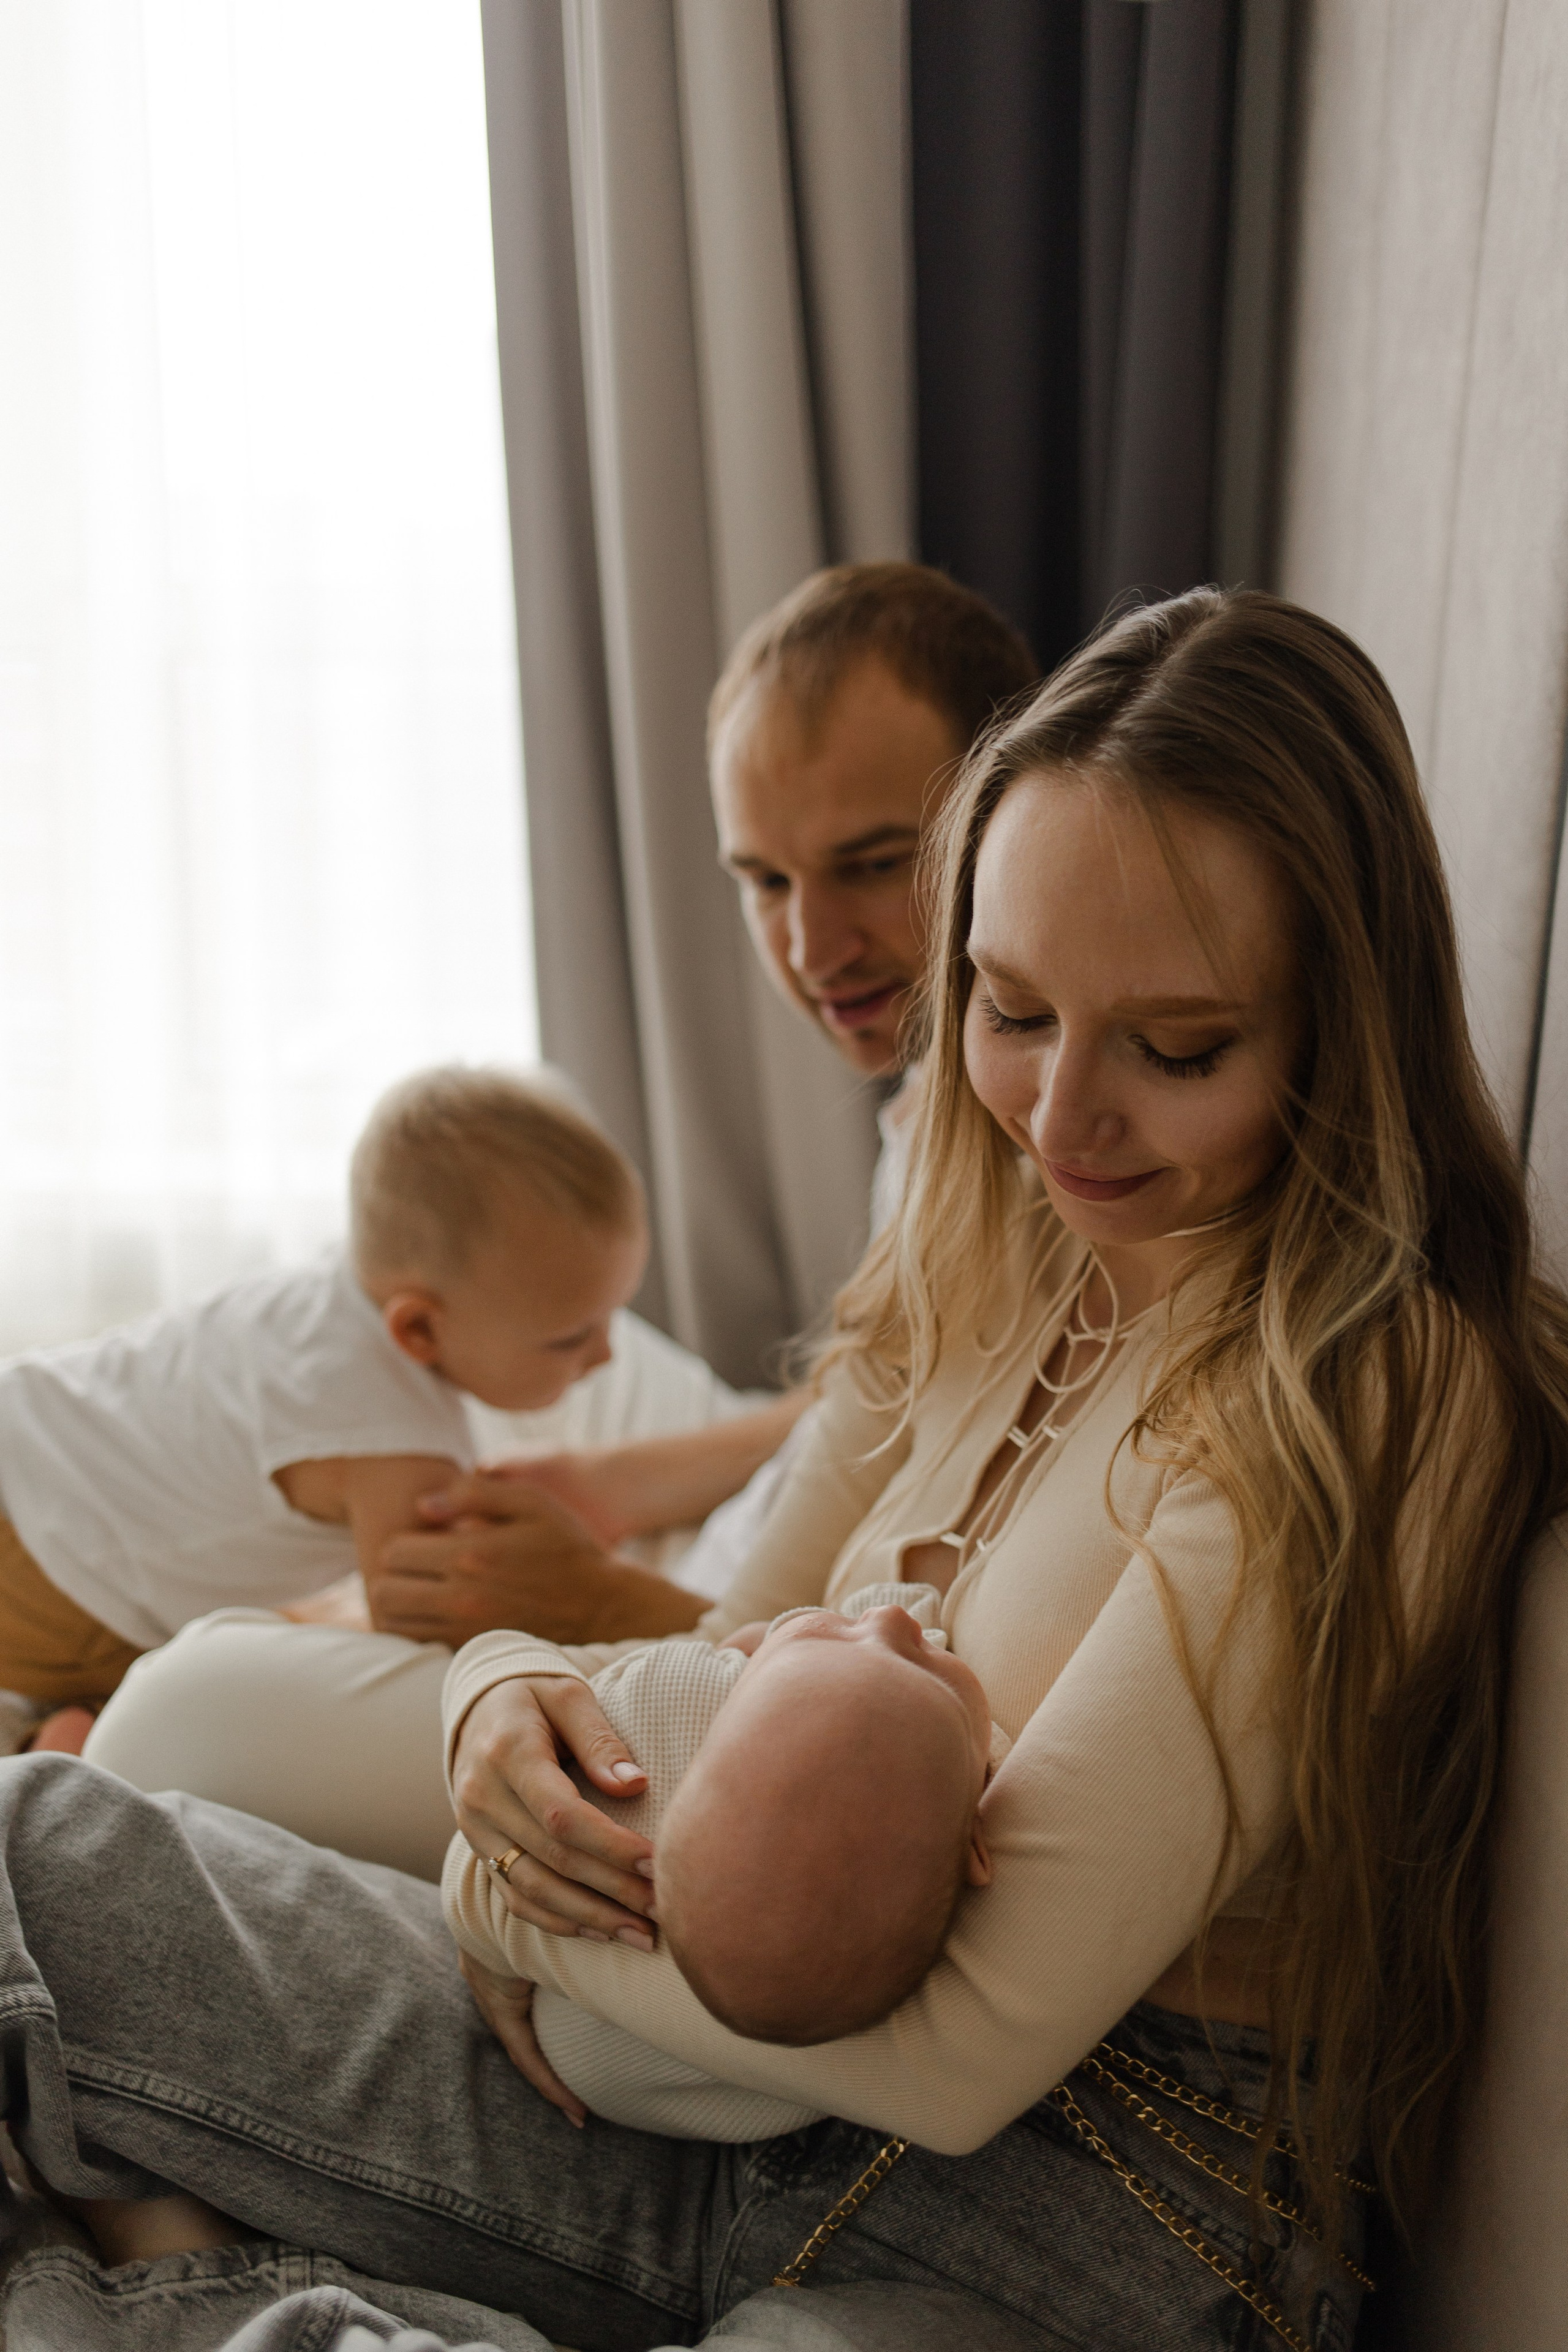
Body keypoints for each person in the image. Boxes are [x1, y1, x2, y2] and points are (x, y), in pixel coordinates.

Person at [3, 586, 1561, 2351]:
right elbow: (712, 1668)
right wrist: (502, 1696)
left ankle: (169, 2272)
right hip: (694, 2068)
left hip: (1083, 2201)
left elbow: (970, 2047)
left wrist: (501, 1905)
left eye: (1177, 1048)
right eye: (1011, 1010)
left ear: (1339, 1025)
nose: (1058, 1120)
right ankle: (199, 2271)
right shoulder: (999, 1227)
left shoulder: (1374, 1382)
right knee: (42, 1843)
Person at [83, 563, 1036, 1871]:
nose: (812, 947)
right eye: (763, 880)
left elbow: (903, 1612)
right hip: (755, 1538)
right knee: (483, 1307)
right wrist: (611, 1486)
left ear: (1006, 818)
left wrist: (595, 1599)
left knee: (173, 1715)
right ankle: (158, 1570)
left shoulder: (1057, 1161)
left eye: (868, 866)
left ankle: (195, 1664)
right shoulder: (932, 1111)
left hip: (756, 1643)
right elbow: (874, 1401)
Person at [0, 1066, 658, 1755]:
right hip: (55, 1568)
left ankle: (59, 1730)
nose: (606, 1356)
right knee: (176, 1675)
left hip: (30, 1433)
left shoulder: (326, 1292)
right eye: (571, 1338)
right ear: (419, 1329)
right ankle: (71, 1730)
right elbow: (430, 1625)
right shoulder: (396, 1438)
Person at [443, 1585, 998, 2142]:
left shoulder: (707, 1701)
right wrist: (493, 1673)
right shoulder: (950, 1774)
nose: (892, 1617)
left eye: (923, 1662)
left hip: (566, 2051)